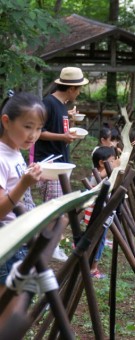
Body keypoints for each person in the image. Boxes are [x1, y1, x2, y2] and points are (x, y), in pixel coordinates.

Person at [34, 67, 89, 262]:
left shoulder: (61, 105)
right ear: (71, 88)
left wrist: (70, 121)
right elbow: (37, 133)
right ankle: (48, 247)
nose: (79, 92)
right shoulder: (47, 104)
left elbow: (59, 128)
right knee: (53, 208)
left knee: (59, 207)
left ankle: (51, 244)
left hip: (61, 163)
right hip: (50, 164)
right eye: (79, 88)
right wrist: (63, 136)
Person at [0, 91, 47, 287]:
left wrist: (29, 176)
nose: (33, 135)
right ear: (6, 121)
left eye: (39, 128)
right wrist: (24, 183)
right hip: (7, 244)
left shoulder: (15, 150)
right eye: (28, 127)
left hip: (21, 238)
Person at [84, 146, 120, 279]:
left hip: (102, 211)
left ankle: (92, 265)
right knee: (98, 240)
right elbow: (102, 175)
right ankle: (93, 268)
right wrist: (115, 167)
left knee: (100, 239)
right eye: (111, 161)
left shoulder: (103, 174)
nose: (114, 162)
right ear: (101, 163)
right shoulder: (96, 175)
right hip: (98, 214)